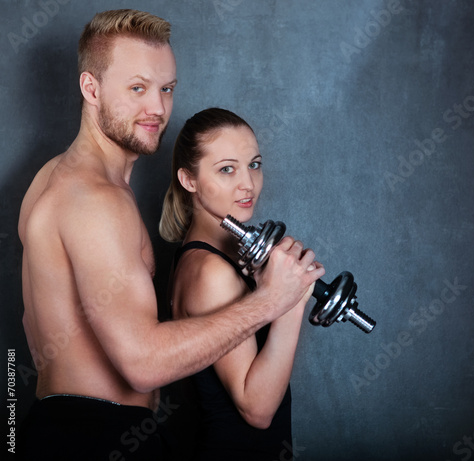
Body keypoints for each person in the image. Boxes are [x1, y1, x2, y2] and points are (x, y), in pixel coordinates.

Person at [16, 9, 324, 460]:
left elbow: (32, 323)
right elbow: (142, 364)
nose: (157, 108)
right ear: (91, 88)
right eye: (137, 88)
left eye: (166, 89)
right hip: (96, 437)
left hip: (61, 427)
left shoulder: (50, 178)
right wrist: (273, 301)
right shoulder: (96, 199)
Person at [159, 108, 320, 460]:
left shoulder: (218, 256)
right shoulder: (210, 272)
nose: (248, 183)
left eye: (255, 164)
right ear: (189, 179)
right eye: (227, 169)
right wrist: (289, 302)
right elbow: (257, 409)